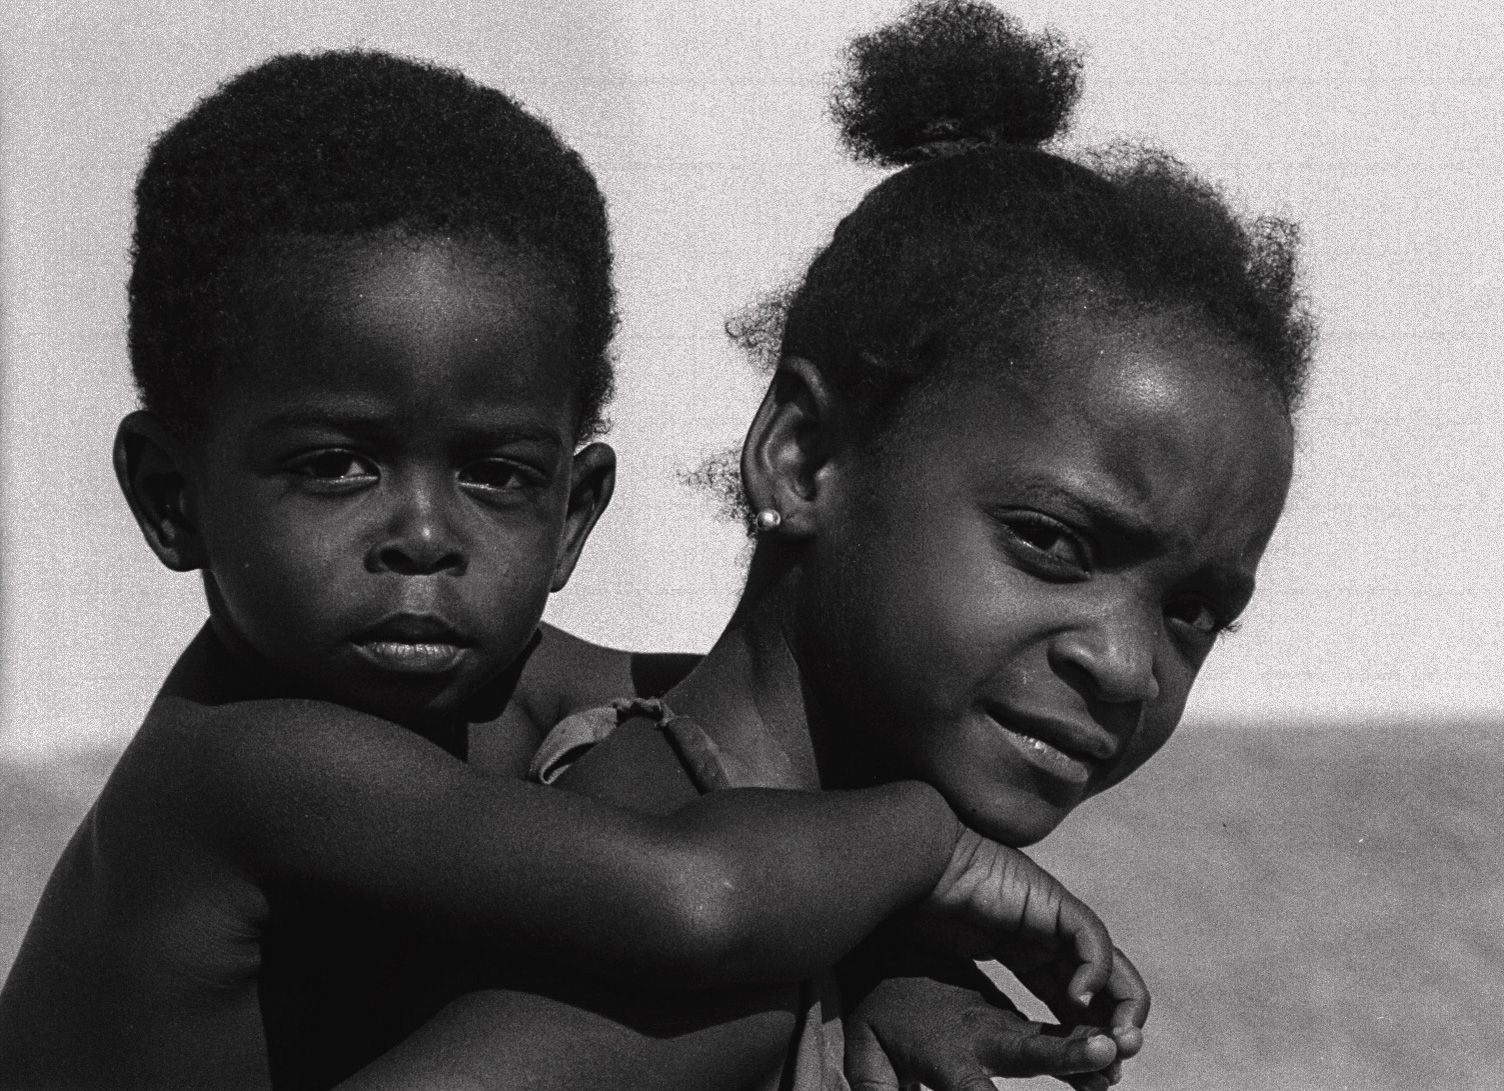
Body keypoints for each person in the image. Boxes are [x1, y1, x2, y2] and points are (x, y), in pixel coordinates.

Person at [0, 47, 1137, 1091]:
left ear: (574, 513)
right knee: (723, 1005)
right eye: (336, 465)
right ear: (169, 495)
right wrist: (926, 848)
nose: (423, 536)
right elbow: (697, 899)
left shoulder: (507, 689)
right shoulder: (249, 761)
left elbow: (749, 733)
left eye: (495, 474)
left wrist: (884, 958)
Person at [343, 2, 1314, 1089]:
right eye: (1050, 540)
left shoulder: (795, 913)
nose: (1128, 665)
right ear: (802, 461)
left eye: (1193, 611)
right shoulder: (681, 943)